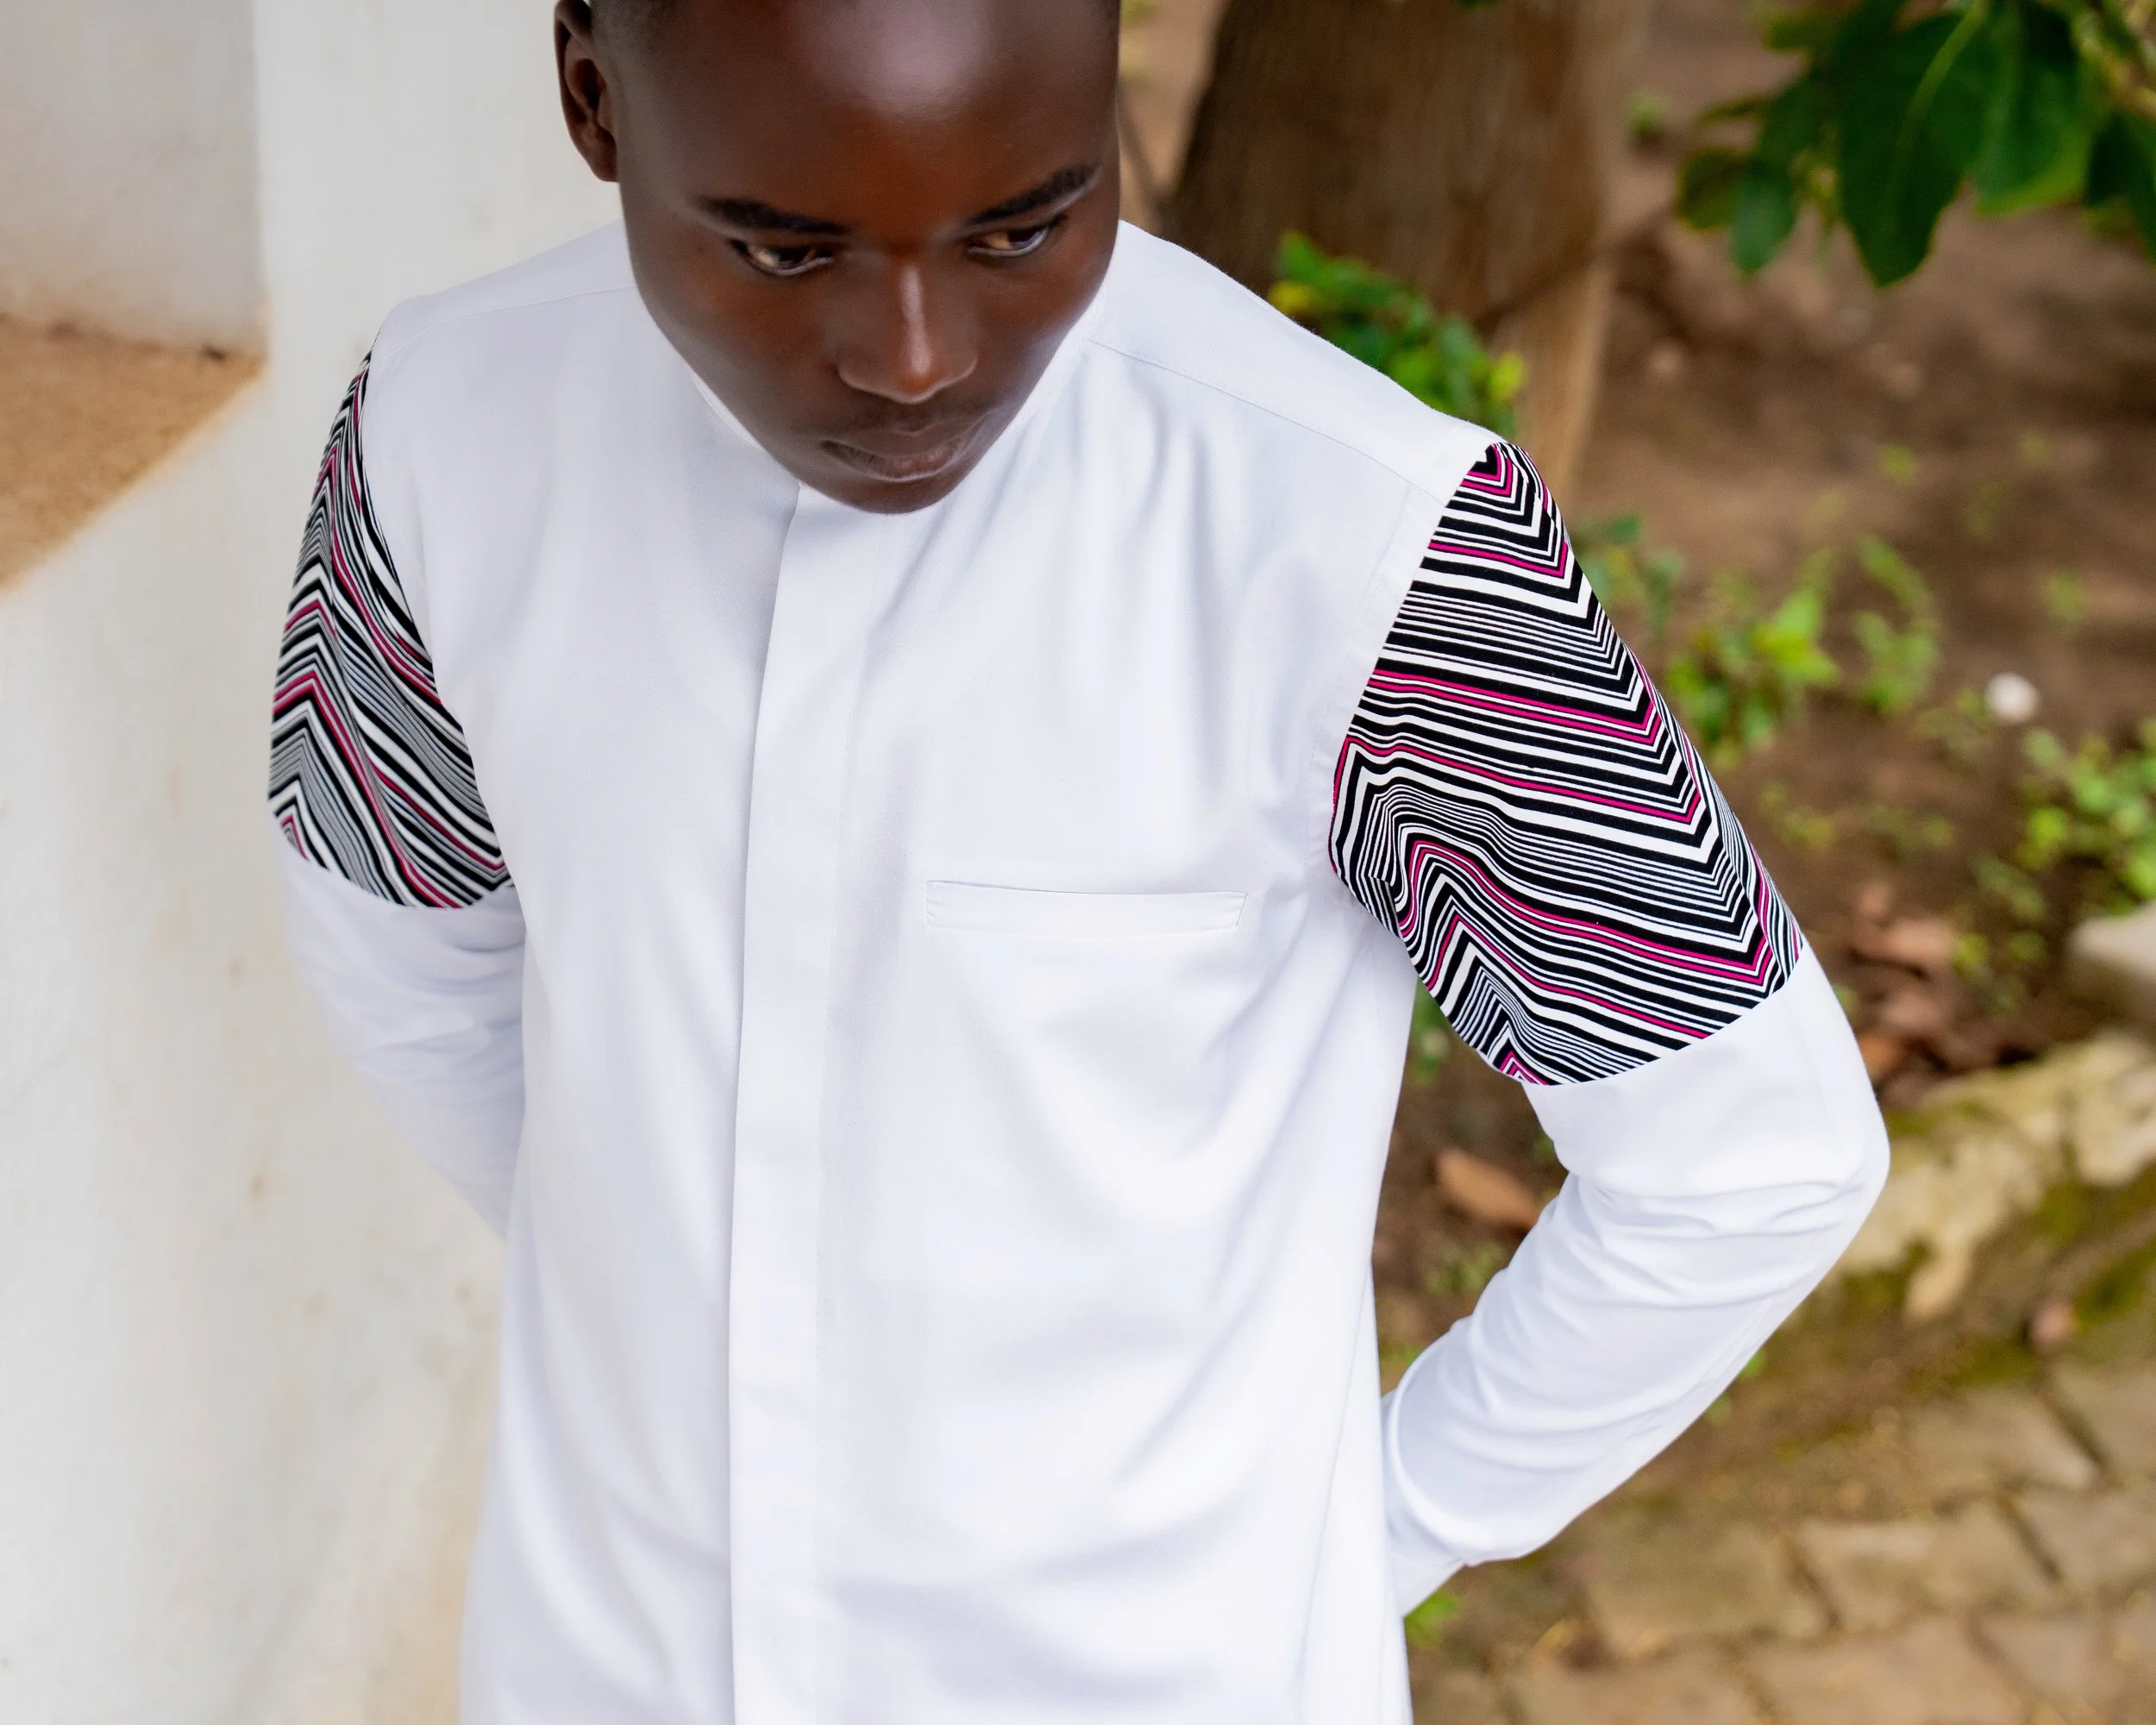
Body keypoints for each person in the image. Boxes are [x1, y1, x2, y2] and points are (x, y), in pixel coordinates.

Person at [266, 0, 1888, 1718]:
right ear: (592, 96)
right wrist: (686, 1282)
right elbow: (406, 962)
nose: (911, 356)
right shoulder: (432, 429)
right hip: (608, 1664)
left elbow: (1743, 1158)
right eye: (782, 247)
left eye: (1023, 225)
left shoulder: (1368, 535)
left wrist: (1371, 1525)